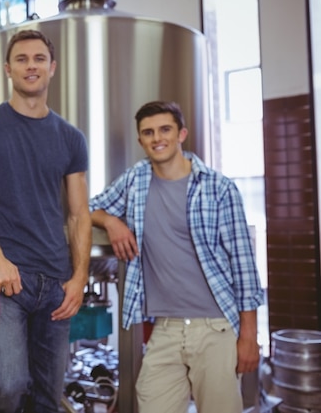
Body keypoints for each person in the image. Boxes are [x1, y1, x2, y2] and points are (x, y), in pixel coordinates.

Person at [89, 100, 264, 413]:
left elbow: (244, 267)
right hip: (165, 329)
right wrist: (111, 221)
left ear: (181, 133)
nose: (157, 138)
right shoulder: (135, 180)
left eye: (165, 129)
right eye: (148, 132)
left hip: (215, 327)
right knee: (152, 401)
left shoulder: (218, 188)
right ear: (141, 140)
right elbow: (89, 208)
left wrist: (249, 335)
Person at [0, 29, 92, 412]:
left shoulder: (71, 138)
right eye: (22, 59)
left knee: (48, 396)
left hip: (56, 284)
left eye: (39, 59)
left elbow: (80, 213)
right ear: (8, 69)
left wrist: (79, 277)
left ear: (52, 68)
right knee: (6, 387)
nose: (31, 66)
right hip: (4, 282)